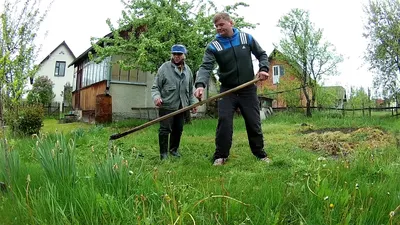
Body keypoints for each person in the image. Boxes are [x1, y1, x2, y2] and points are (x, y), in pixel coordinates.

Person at [194, 12, 271, 166]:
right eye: (216, 26)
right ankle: (220, 156)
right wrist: (200, 85)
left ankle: (260, 154)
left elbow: (262, 54)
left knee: (253, 122)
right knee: (224, 122)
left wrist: (263, 68)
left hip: (248, 88)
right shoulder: (213, 46)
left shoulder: (245, 38)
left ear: (231, 23)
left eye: (221, 24)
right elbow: (205, 67)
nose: (218, 28)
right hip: (227, 90)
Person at [151, 44, 197, 160]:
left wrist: (193, 104)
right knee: (164, 130)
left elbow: (190, 90)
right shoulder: (164, 68)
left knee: (178, 129)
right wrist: (157, 97)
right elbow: (155, 87)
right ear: (171, 55)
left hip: (182, 106)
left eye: (179, 54)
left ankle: (174, 150)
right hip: (167, 105)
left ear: (184, 55)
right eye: (174, 54)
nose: (176, 56)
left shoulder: (188, 71)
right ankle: (163, 154)